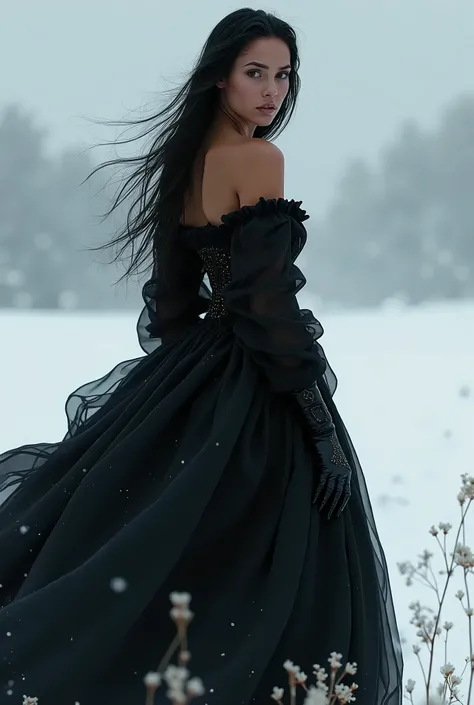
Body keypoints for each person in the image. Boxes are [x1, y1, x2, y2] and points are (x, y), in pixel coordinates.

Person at [0, 8, 403, 705]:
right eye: (256, 73)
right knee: (273, 563)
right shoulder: (258, 159)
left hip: (199, 372)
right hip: (252, 378)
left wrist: (182, 397)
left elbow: (173, 304)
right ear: (220, 77)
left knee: (164, 551)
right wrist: (317, 422)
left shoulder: (188, 163)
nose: (272, 90)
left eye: (282, 75)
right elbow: (265, 303)